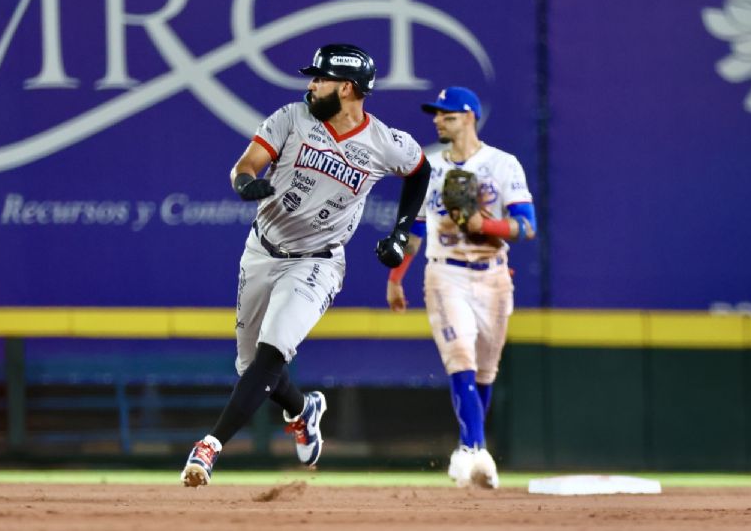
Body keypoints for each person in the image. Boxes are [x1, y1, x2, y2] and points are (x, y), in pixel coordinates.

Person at [181, 43, 432, 487]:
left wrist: (400, 232)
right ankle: (302, 408)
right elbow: (247, 164)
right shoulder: (291, 118)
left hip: (317, 263)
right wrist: (244, 182)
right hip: (262, 251)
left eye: (321, 78)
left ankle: (210, 447)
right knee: (250, 370)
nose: (311, 85)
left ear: (348, 88)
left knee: (271, 354)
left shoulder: (383, 143)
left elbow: (420, 171)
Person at [385, 87, 536, 488]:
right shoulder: (427, 169)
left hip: (493, 275)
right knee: (460, 358)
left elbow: (526, 226)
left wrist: (484, 226)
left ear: (469, 117)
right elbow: (416, 231)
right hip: (445, 273)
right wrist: (396, 277)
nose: (438, 120)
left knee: (485, 371)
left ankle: (466, 449)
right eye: (436, 114)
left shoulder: (503, 165)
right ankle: (476, 449)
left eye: (448, 115)